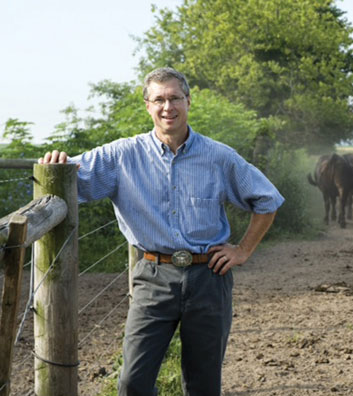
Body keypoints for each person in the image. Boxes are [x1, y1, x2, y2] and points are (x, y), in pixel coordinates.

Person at [39, 67, 284, 395]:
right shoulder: (121, 155)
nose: (167, 107)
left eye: (174, 98)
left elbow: (267, 200)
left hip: (208, 277)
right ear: (147, 106)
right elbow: (70, 176)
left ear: (188, 102)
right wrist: (55, 165)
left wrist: (242, 251)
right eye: (159, 99)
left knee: (203, 383)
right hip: (153, 277)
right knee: (132, 383)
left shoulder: (219, 157)